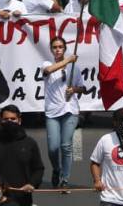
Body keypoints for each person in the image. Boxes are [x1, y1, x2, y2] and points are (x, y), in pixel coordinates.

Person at [0, 105, 44, 206]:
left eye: (13, 119)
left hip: (22, 199)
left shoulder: (30, 143)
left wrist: (32, 184)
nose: (9, 122)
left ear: (19, 120)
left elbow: (38, 168)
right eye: (6, 119)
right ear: (1, 121)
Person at [42, 37, 83, 190]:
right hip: (52, 111)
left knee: (66, 146)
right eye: (55, 47)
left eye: (60, 47)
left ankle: (65, 178)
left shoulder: (75, 68)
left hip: (70, 110)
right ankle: (56, 169)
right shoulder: (47, 64)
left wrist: (75, 90)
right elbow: (48, 71)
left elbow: (82, 87)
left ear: (65, 49)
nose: (58, 49)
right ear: (51, 49)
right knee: (53, 147)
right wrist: (68, 61)